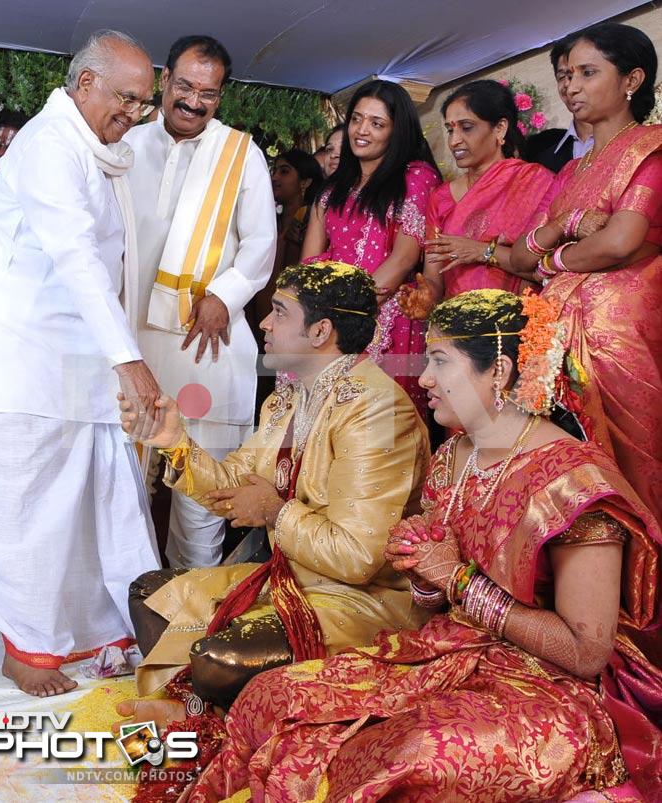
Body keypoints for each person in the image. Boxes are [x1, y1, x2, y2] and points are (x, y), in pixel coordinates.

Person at [181, 289, 662, 803]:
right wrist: (422, 573)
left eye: (438, 361)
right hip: (451, 652)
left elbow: (586, 653)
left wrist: (457, 580)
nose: (425, 378)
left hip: (552, 688)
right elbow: (434, 596)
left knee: (404, 751)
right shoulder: (454, 455)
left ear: (497, 371)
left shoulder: (574, 485)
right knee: (273, 694)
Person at [118, 261, 430, 705]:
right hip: (288, 579)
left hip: (360, 598)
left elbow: (359, 559)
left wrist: (275, 512)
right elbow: (233, 486)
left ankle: (212, 695)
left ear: (321, 331)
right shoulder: (289, 397)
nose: (264, 322)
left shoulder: (376, 410)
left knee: (220, 659)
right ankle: (213, 693)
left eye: (280, 312)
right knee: (150, 594)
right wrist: (174, 441)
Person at [0, 30, 161, 697]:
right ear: (85, 85)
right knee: (22, 508)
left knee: (96, 499)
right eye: (127, 97)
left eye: (144, 103)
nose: (134, 112)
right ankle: (26, 648)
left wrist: (115, 354)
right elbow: (76, 257)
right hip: (21, 352)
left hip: (74, 355)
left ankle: (105, 632)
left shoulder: (97, 153)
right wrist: (130, 359)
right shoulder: (50, 147)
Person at [124, 35, 277, 569]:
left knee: (200, 493)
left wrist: (226, 295)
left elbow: (261, 243)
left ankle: (194, 618)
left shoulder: (240, 153)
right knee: (125, 492)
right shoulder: (128, 146)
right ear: (165, 80)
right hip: (132, 344)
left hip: (204, 346)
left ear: (220, 97)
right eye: (184, 86)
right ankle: (130, 617)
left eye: (207, 93)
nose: (192, 101)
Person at [510, 22, 662, 526]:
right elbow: (517, 257)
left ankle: (641, 597)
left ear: (632, 79)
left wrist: (552, 259)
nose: (569, 86)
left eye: (587, 73)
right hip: (552, 335)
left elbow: (620, 242)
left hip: (618, 340)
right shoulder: (572, 173)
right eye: (567, 75)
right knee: (566, 477)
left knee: (631, 477)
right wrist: (566, 227)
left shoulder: (651, 148)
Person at [301, 80, 442, 413]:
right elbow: (308, 263)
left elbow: (405, 257)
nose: (361, 130)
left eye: (377, 123)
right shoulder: (331, 189)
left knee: (375, 433)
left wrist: (350, 317)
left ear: (397, 131)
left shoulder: (416, 177)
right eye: (356, 119)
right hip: (328, 321)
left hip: (385, 318)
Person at [398, 79, 554, 320]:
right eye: (451, 129)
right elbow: (434, 276)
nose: (454, 141)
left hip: (519, 325)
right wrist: (427, 296)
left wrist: (482, 251)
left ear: (500, 129)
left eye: (466, 127)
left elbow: (548, 265)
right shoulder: (440, 198)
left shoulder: (534, 181)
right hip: (460, 327)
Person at [252, 148, 323, 329]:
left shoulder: (309, 222)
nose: (274, 178)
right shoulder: (269, 220)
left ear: (305, 182)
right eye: (274, 171)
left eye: (284, 171)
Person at [523, 35, 594, 173]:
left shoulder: (632, 142)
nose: (570, 84)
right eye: (563, 77)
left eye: (586, 73)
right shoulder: (544, 163)